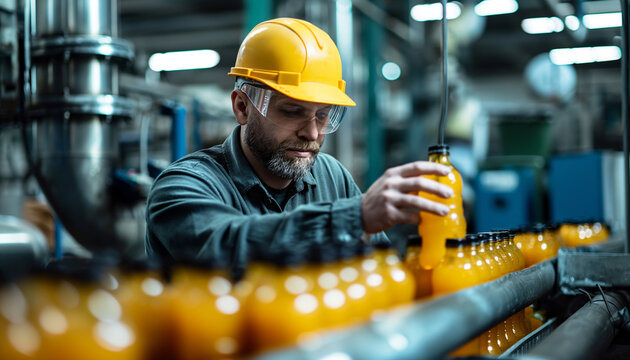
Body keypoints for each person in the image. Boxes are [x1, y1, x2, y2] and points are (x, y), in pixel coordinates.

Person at [145, 18, 453, 273]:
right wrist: (352, 217)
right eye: (292, 111)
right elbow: (226, 248)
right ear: (242, 107)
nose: (312, 132)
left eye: (323, 115)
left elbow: (380, 269)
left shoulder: (333, 177)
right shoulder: (182, 186)